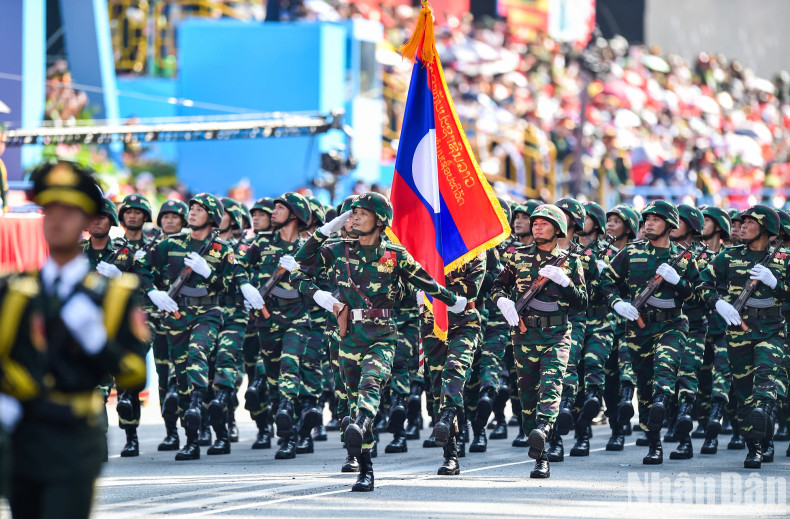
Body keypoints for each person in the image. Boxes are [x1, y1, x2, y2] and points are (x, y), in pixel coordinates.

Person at [1, 159, 147, 519]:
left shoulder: (112, 295)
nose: (57, 220)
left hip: (73, 438)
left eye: (70, 211)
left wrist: (98, 343)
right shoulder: (16, 291)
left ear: (85, 221)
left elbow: (134, 373)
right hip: (23, 437)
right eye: (49, 209)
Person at [294, 192, 466, 492]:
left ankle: (361, 423)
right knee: (349, 397)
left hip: (382, 334)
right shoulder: (337, 250)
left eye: (362, 213)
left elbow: (426, 281)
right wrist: (324, 233)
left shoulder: (394, 255)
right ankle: (365, 466)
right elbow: (301, 262)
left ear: (380, 221)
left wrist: (455, 302)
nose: (354, 217)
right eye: (352, 213)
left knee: (370, 386)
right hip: (348, 335)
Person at [135, 193, 261, 461]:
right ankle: (193, 438)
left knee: (197, 355)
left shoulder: (221, 249)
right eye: (191, 208)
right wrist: (153, 293)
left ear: (212, 217)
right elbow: (140, 267)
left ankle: (207, 417)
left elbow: (232, 285)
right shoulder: (172, 244)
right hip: (177, 314)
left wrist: (208, 272)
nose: (191, 213)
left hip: (208, 312)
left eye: (199, 209)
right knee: (181, 376)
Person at [491, 204, 587, 479]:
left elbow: (582, 303)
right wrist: (502, 301)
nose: (536, 226)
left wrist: (567, 283)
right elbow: (497, 286)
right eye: (535, 223)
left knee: (551, 387)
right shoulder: (516, 256)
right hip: (524, 335)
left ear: (558, 229)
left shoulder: (570, 261)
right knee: (528, 397)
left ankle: (544, 437)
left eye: (543, 223)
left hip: (556, 335)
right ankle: (538, 448)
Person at [600, 200, 700, 465]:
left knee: (665, 369)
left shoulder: (683, 257)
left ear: (669, 225)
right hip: (638, 327)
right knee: (643, 384)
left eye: (655, 219)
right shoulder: (632, 252)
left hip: (672, 325)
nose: (648, 223)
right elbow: (606, 281)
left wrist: (678, 282)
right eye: (646, 219)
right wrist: (617, 303)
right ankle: (654, 443)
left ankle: (662, 399)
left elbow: (699, 295)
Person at [698, 204, 790, 469]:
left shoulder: (784, 258)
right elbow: (703, 282)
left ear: (766, 228)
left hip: (771, 330)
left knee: (765, 383)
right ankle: (755, 446)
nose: (743, 226)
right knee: (744, 393)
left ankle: (765, 437)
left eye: (750, 222)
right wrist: (718, 303)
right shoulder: (729, 257)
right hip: (738, 331)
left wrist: (776, 283)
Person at [240, 192, 313, 459]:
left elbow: (327, 278)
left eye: (280, 208)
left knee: (289, 366)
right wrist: (246, 287)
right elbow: (237, 265)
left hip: (297, 318)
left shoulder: (307, 247)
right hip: (267, 319)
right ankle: (283, 425)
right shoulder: (261, 243)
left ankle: (289, 436)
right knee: (271, 377)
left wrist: (302, 269)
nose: (273, 212)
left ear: (294, 214)